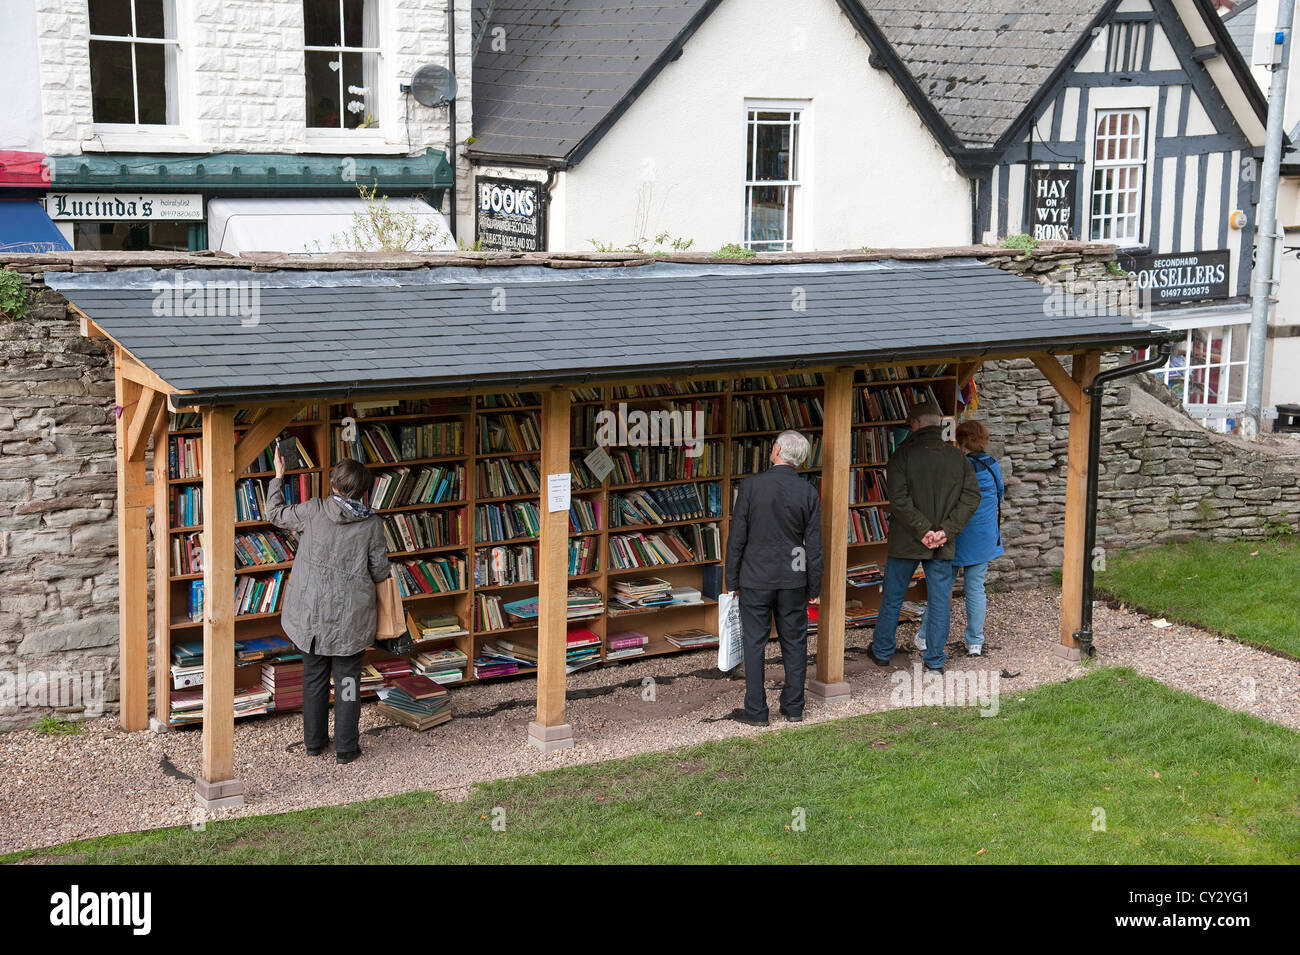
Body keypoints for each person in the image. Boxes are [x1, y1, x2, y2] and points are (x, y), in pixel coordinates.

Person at [268, 446, 391, 764]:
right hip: (351, 618)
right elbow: (379, 571)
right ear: (364, 491)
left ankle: (314, 743)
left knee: (314, 677)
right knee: (348, 680)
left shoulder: (312, 511)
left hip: (311, 616)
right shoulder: (372, 525)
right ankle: (347, 748)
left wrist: (279, 476)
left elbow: (276, 515)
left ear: (333, 484)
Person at [868, 402, 980, 673]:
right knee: (940, 600)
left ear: (915, 423)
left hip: (906, 540)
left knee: (893, 596)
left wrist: (922, 531)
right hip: (942, 542)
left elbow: (899, 501)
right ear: (939, 424)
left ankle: (882, 651)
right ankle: (935, 661)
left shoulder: (901, 456)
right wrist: (945, 531)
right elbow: (972, 497)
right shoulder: (958, 458)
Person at [724, 430, 823, 726]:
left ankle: (757, 712)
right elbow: (814, 544)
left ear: (777, 449)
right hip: (794, 578)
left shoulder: (751, 487)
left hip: (755, 577)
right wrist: (814, 585)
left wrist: (731, 581)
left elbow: (736, 539)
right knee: (795, 642)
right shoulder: (807, 491)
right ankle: (794, 707)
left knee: (754, 643)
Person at [917, 419, 1004, 657]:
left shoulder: (956, 466)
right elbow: (1000, 493)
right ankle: (975, 641)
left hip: (956, 536)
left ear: (962, 441)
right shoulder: (992, 464)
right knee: (975, 588)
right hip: (984, 537)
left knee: (941, 587)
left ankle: (924, 636)